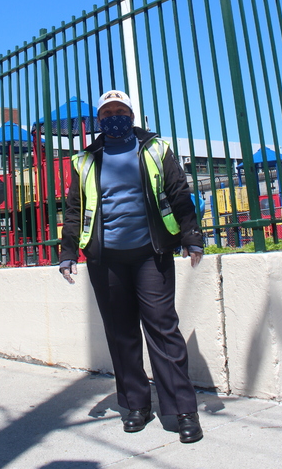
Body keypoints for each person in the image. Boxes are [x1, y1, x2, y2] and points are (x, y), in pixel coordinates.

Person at [59, 90, 204, 443]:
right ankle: (135, 405)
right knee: (121, 334)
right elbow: (75, 208)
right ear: (99, 120)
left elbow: (178, 192)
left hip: (150, 254)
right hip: (105, 259)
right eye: (107, 112)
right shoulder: (85, 160)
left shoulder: (155, 149)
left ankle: (182, 410)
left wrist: (191, 237)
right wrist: (67, 252)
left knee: (163, 328)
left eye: (120, 110)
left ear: (131, 114)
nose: (114, 116)